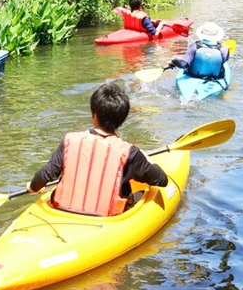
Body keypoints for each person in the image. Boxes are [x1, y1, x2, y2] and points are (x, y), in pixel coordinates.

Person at [26, 83, 169, 216]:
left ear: (93, 115)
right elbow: (161, 180)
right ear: (122, 119)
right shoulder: (129, 152)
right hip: (106, 218)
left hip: (61, 211)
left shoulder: (69, 140)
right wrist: (145, 157)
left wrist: (33, 187)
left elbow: (45, 174)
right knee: (141, 193)